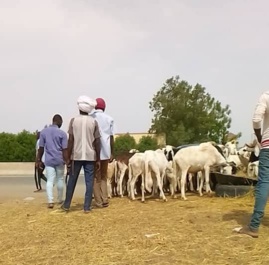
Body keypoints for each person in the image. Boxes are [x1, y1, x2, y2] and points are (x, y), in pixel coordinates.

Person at [235, 91, 269, 238]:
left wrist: (260, 138)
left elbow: (256, 120)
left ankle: (254, 226)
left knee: (264, 182)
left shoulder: (266, 96)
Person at [61, 95, 101, 213]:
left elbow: (70, 140)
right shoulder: (94, 122)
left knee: (72, 180)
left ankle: (67, 205)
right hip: (90, 156)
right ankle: (87, 207)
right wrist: (98, 158)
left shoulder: (73, 121)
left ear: (79, 108)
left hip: (76, 156)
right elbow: (97, 141)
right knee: (89, 182)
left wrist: (67, 157)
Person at [36, 115, 69, 208]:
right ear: (59, 121)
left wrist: (38, 160)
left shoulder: (44, 132)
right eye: (61, 122)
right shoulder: (62, 133)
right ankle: (59, 199)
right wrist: (67, 161)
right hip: (60, 159)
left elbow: (41, 148)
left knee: (50, 180)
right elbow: (64, 149)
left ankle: (50, 201)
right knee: (60, 179)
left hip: (49, 160)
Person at [91, 97, 115, 208]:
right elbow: (111, 137)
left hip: (94, 152)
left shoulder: (91, 118)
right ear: (104, 107)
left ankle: (98, 201)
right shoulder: (109, 119)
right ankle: (105, 199)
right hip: (106, 151)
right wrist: (111, 153)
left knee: (96, 177)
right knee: (104, 176)